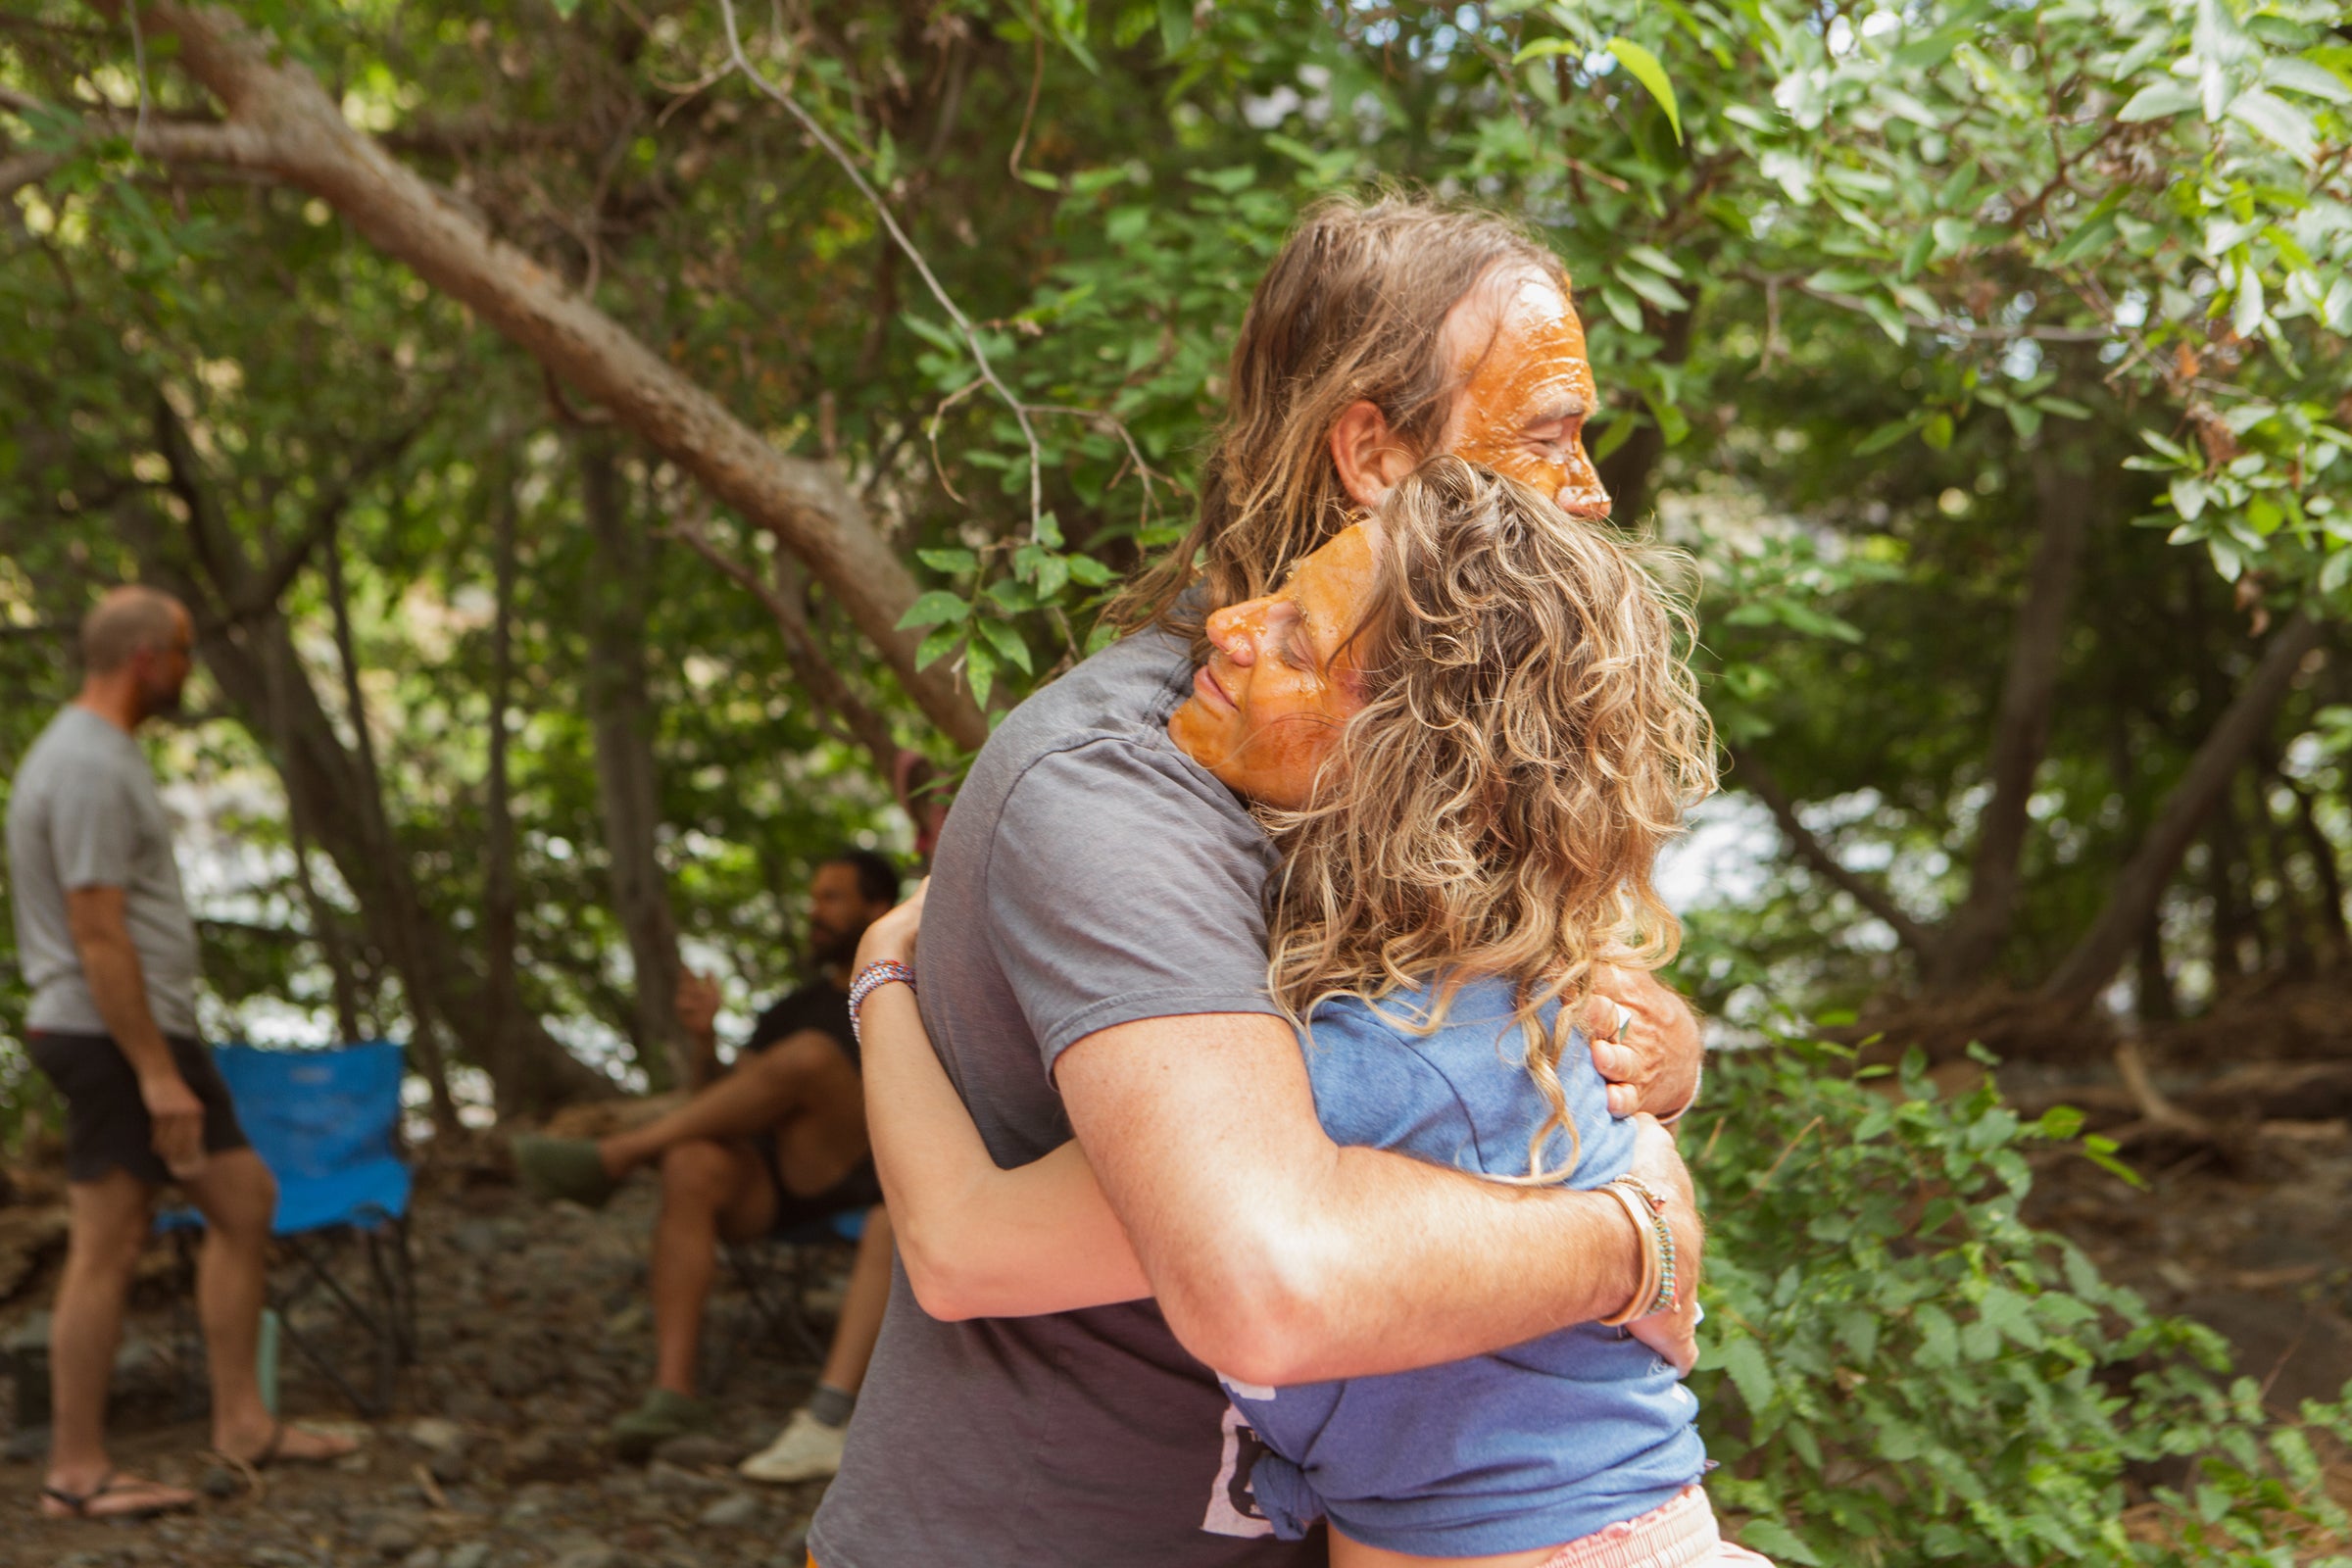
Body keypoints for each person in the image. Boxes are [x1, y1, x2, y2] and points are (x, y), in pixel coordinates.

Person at [809, 193, 1708, 1567]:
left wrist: (1658, 1079)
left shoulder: (1420, 796)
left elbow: (1546, 1070)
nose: (1588, 489)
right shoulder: (1123, 788)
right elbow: (1260, 1271)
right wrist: (1632, 1235)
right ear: (1376, 454)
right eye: (1549, 433)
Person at [8, 586, 359, 1522]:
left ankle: (243, 1420)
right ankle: (76, 1471)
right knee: (108, 1242)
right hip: (111, 1034)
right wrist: (156, 1071)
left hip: (144, 1030)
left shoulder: (101, 753)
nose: (191, 669)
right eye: (187, 652)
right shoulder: (84, 763)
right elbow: (96, 928)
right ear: (148, 659)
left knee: (242, 1199)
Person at [513, 850, 899, 1467]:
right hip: (780, 1183)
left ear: (878, 909)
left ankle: (617, 1156)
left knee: (810, 1058)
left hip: (866, 1170)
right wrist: (703, 1040)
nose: (814, 912)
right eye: (813, 898)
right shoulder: (791, 1008)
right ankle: (674, 1392)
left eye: (831, 899)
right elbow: (723, 1099)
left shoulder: (901, 993)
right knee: (692, 1160)